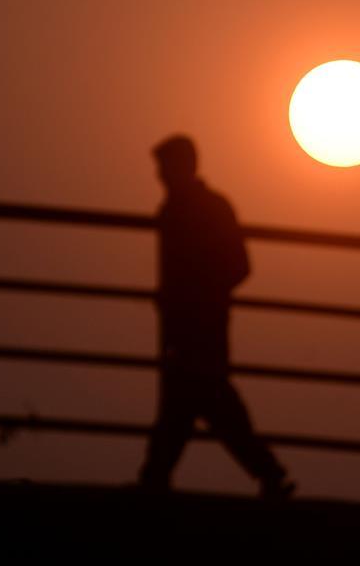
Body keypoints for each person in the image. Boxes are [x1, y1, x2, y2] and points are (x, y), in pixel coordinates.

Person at [138, 134, 294, 500]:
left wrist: (197, 291)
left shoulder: (202, 210)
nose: (159, 177)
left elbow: (240, 266)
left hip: (199, 325)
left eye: (164, 168)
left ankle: (154, 480)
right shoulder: (183, 209)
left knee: (197, 403)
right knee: (202, 404)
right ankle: (268, 473)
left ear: (182, 167)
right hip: (191, 324)